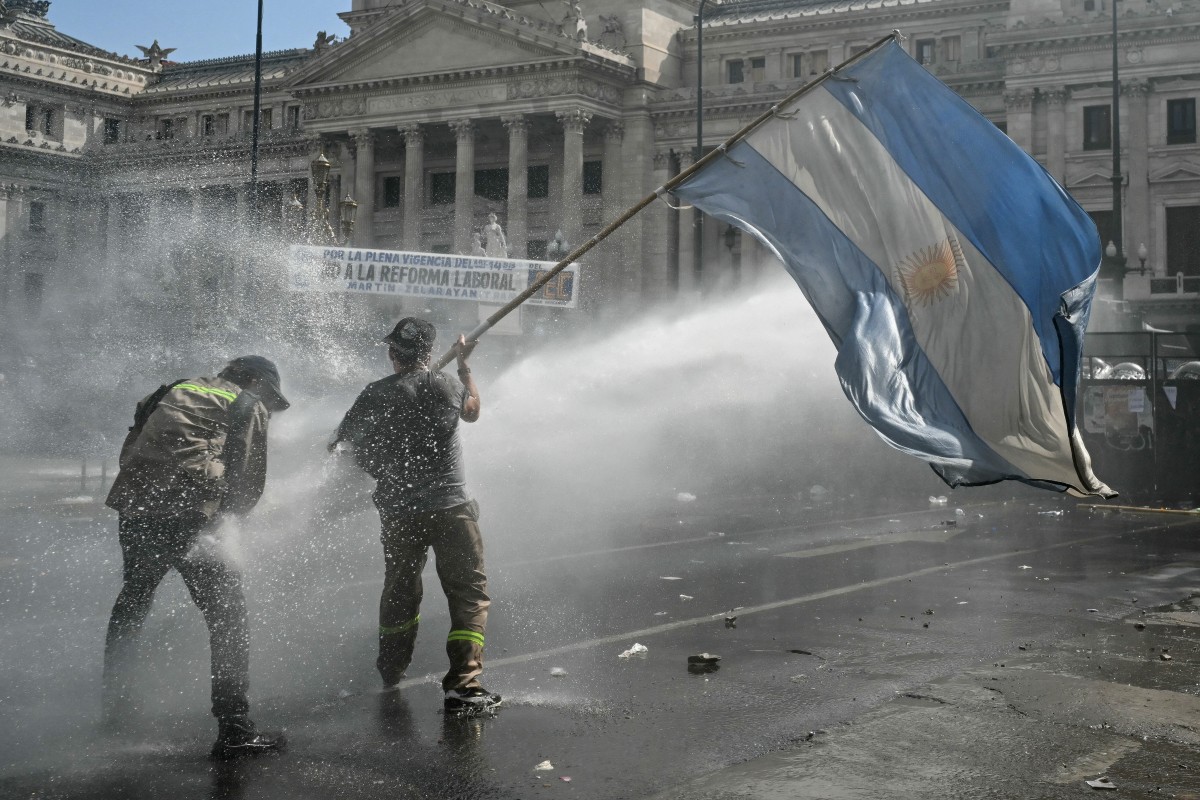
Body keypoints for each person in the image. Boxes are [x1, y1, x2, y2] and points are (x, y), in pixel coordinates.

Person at [102, 355, 290, 759]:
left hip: (136, 505)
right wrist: (229, 522)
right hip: (190, 512)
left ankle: (115, 710)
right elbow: (248, 475)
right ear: (253, 381)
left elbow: (131, 450)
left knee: (134, 599)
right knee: (228, 616)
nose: (266, 402)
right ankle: (235, 728)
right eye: (268, 393)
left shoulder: (170, 390)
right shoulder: (246, 403)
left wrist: (151, 495)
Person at [331, 318, 500, 715]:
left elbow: (341, 446)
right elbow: (473, 412)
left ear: (393, 354)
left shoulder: (374, 394)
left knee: (400, 588)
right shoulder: (447, 386)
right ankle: (464, 685)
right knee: (468, 594)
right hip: (450, 509)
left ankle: (391, 669)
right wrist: (464, 367)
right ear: (427, 353)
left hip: (399, 512)